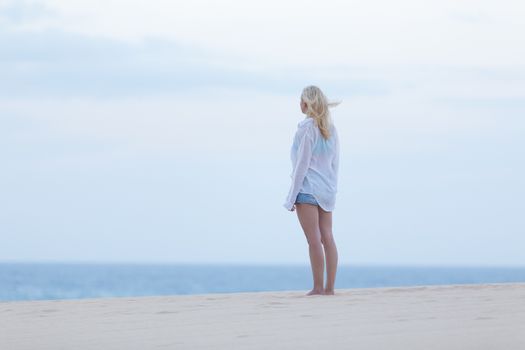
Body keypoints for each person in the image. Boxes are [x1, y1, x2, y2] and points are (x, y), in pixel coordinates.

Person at [283, 85, 341, 296]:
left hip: (308, 190)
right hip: (326, 190)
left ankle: (318, 287)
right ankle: (329, 288)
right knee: (328, 236)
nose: (299, 104)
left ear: (306, 103)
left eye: (300, 100)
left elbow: (301, 165)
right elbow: (335, 164)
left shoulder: (306, 128)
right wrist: (332, 189)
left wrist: (291, 198)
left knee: (314, 239)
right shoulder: (331, 130)